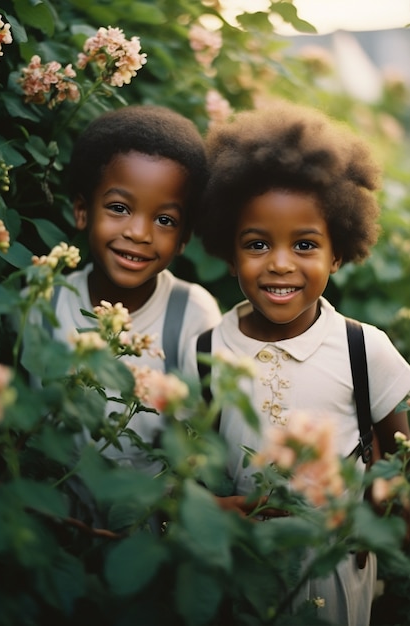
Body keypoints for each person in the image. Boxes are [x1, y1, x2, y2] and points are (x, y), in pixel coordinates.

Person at [183, 99, 410, 626]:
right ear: (229, 251)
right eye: (257, 243)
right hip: (241, 574)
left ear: (337, 253)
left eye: (305, 244)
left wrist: (376, 508)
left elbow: (400, 463)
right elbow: (184, 471)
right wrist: (211, 510)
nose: (280, 263)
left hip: (335, 575)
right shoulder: (206, 351)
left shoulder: (364, 349)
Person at [33, 104, 222, 470]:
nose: (138, 233)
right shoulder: (41, 303)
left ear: (183, 239)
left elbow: (203, 437)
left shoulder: (192, 315)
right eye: (119, 208)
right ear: (82, 210)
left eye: (165, 220)